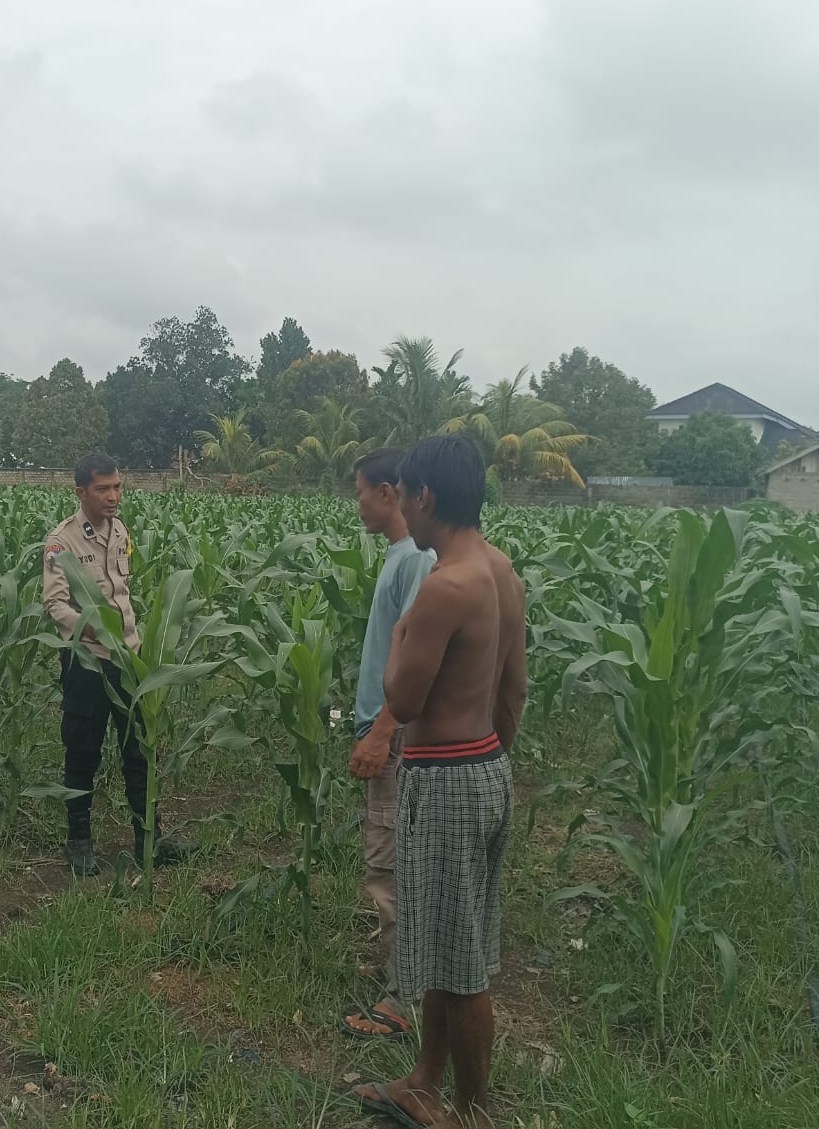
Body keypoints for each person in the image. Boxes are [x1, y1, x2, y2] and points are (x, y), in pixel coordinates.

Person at [354, 434, 526, 1129]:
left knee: (461, 966)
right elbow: (514, 689)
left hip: (446, 781)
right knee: (441, 940)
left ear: (424, 496)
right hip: (485, 766)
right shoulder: (501, 570)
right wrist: (491, 763)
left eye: (405, 494)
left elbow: (404, 696)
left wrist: (400, 638)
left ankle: (473, 1110)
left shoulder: (444, 587)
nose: (402, 507)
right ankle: (424, 1081)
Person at [42, 453, 188, 877]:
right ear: (81, 492)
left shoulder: (120, 530)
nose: (113, 496)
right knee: (82, 751)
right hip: (88, 662)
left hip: (129, 660)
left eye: (117, 487)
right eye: (103, 488)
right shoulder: (62, 542)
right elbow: (56, 605)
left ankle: (149, 837)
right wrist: (95, 631)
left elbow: (121, 590)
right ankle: (79, 840)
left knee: (139, 751)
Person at [341, 448, 434, 1040]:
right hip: (387, 729)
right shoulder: (402, 556)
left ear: (386, 493)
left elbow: (418, 660)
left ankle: (404, 999)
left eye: (360, 492)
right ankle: (400, 972)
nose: (357, 504)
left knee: (392, 860)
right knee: (390, 855)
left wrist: (382, 731)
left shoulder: (416, 560)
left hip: (395, 735)